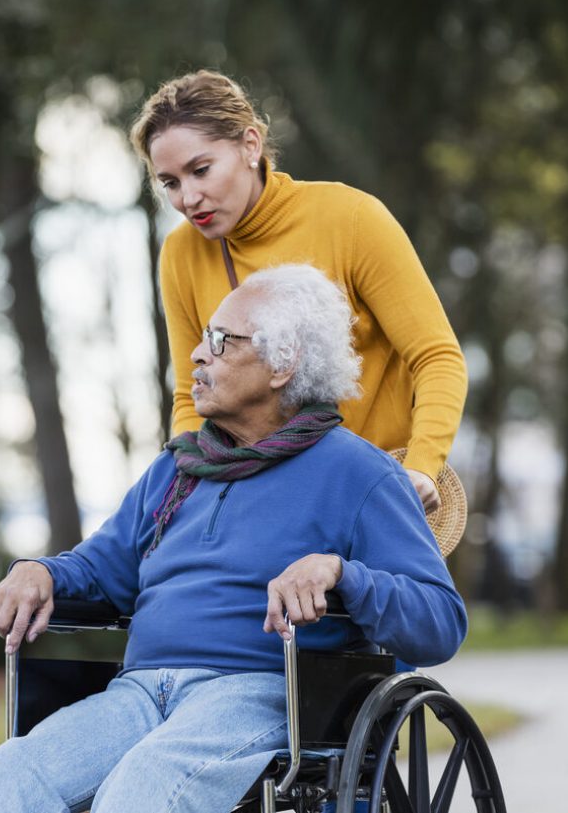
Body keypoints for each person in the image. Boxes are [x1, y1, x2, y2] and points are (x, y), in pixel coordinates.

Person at [0, 266, 467, 813]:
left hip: (255, 693)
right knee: (16, 770)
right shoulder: (178, 467)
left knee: (146, 786)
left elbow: (439, 620)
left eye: (221, 342)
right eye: (204, 338)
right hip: (136, 695)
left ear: (284, 363)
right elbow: (101, 568)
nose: (198, 356)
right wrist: (42, 572)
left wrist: (342, 573)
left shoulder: (359, 474)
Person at [130, 69, 468, 513]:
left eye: (201, 170)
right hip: (263, 510)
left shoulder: (351, 219)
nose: (188, 198)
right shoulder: (180, 252)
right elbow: (191, 394)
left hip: (371, 500)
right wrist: (193, 493)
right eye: (170, 183)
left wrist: (423, 466)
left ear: (250, 145)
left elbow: (437, 358)